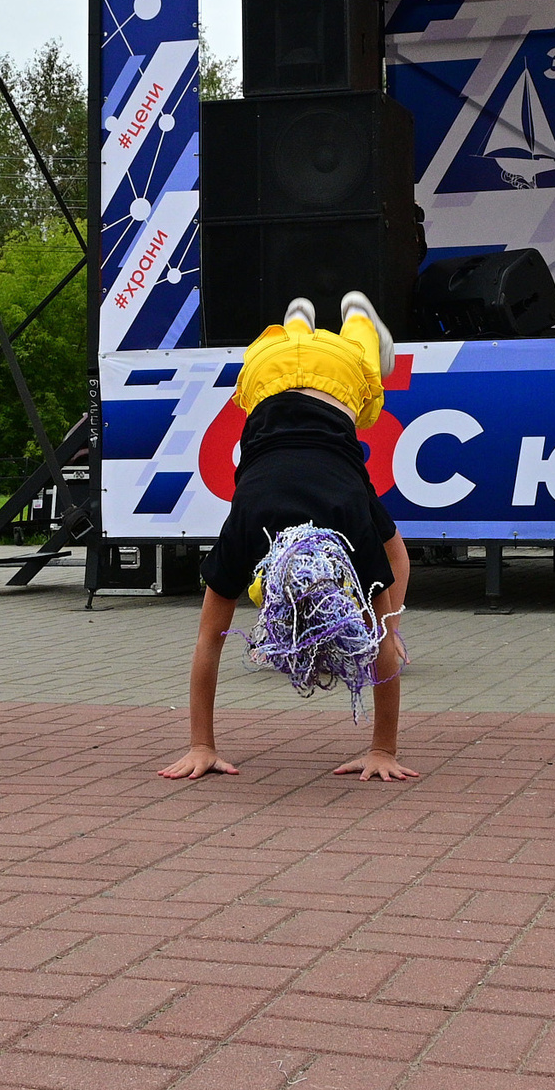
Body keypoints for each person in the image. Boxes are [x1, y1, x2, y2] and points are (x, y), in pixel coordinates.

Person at [163, 293, 415, 784]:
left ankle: (345, 321)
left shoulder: (337, 517)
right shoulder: (325, 519)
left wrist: (202, 745)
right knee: (332, 358)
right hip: (264, 372)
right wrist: (392, 626)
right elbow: (398, 563)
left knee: (360, 362)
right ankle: (310, 321)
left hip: (329, 381)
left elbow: (206, 642)